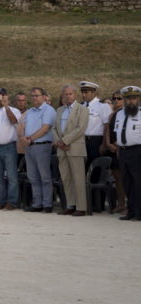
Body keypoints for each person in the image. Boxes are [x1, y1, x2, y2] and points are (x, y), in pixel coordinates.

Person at [53, 84, 88, 217]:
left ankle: (81, 207)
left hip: (75, 148)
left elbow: (80, 129)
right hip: (62, 149)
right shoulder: (60, 110)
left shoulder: (82, 109)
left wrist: (65, 141)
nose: (67, 96)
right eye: (65, 94)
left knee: (78, 178)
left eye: (70, 94)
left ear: (75, 95)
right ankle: (70, 205)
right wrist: (59, 142)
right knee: (66, 178)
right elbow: (54, 128)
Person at [20, 87, 55, 213]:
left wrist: (30, 138)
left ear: (44, 96)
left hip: (42, 146)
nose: (34, 98)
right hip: (30, 146)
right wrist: (23, 138)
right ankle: (37, 203)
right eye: (32, 96)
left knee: (44, 177)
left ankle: (47, 204)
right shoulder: (30, 112)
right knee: (33, 177)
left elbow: (45, 128)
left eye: (37, 95)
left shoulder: (48, 110)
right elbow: (23, 126)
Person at [110, 85, 141, 221]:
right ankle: (131, 211)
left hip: (137, 151)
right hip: (122, 152)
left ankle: (139, 212)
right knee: (127, 183)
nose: (131, 101)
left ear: (138, 99)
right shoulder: (119, 114)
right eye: (128, 98)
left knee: (138, 183)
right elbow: (117, 132)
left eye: (134, 98)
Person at [104, 92, 127, 213]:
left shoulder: (127, 113)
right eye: (114, 98)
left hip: (123, 148)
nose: (116, 100)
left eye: (119, 98)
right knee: (117, 179)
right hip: (113, 149)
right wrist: (108, 144)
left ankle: (131, 203)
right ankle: (121, 203)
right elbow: (107, 130)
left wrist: (118, 144)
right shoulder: (112, 115)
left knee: (127, 178)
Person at [80, 81, 111, 169]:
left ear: (94, 92)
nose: (83, 95)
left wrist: (104, 144)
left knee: (95, 167)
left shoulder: (102, 106)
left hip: (96, 141)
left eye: (86, 92)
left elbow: (107, 126)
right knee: (82, 168)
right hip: (82, 141)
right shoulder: (80, 106)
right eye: (82, 92)